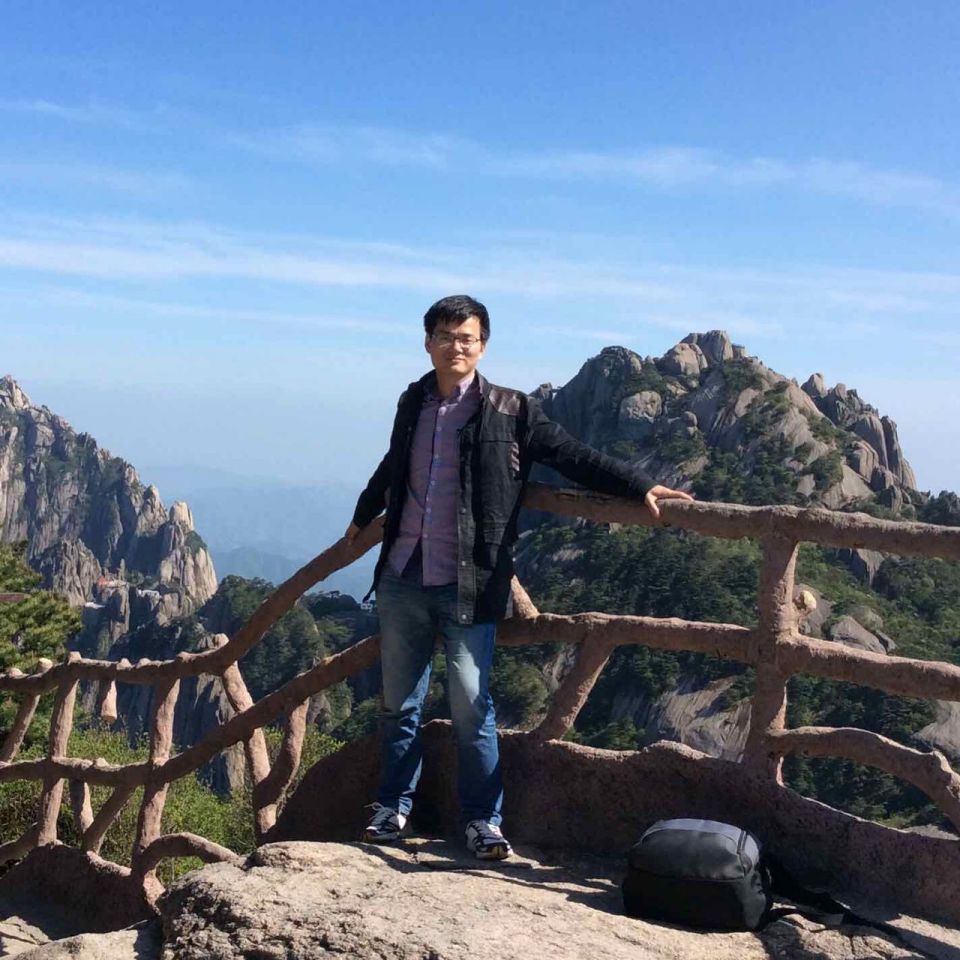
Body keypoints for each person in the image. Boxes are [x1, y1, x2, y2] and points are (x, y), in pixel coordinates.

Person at [345, 295, 694, 859]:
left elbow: (572, 455)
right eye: (445, 335)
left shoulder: (511, 410)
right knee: (398, 704)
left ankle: (483, 821)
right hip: (403, 574)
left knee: (471, 706)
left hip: (469, 583)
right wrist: (363, 515)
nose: (456, 346)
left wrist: (637, 485)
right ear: (428, 342)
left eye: (467, 337)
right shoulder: (413, 401)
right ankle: (393, 807)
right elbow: (393, 464)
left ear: (482, 346)